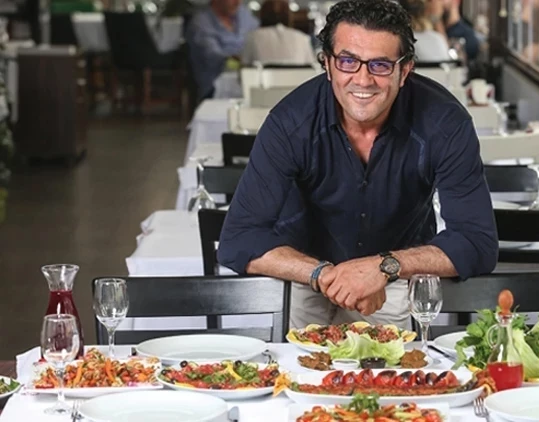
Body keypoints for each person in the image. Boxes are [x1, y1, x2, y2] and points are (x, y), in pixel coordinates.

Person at [217, 0, 497, 330]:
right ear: (327, 64)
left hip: (395, 279)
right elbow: (238, 239)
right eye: (348, 61)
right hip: (304, 275)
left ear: (405, 70)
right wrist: (324, 275)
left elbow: (477, 242)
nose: (363, 80)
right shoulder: (289, 122)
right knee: (300, 363)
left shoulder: (445, 123)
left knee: (397, 363)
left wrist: (384, 267)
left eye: (380, 65)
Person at [186, 0, 259, 100]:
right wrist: (239, 58)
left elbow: (259, 36)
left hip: (248, 83)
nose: (237, 2)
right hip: (215, 90)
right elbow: (213, 55)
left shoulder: (243, 14)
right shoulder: (201, 23)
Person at [241, 0, 317, 65]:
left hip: (263, 78)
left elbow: (245, 66)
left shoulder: (253, 37)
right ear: (289, 16)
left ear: (261, 15)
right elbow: (311, 68)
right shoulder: (303, 38)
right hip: (298, 78)